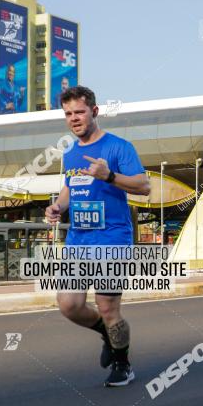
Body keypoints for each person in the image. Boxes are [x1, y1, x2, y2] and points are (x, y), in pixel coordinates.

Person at [44, 85, 150, 386]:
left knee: (107, 306)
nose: (74, 118)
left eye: (79, 112)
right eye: (68, 114)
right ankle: (107, 333)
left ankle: (123, 363)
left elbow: (143, 186)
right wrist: (57, 206)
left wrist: (110, 176)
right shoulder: (71, 151)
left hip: (112, 238)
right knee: (69, 304)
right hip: (78, 240)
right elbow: (69, 188)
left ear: (94, 111)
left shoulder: (119, 148)